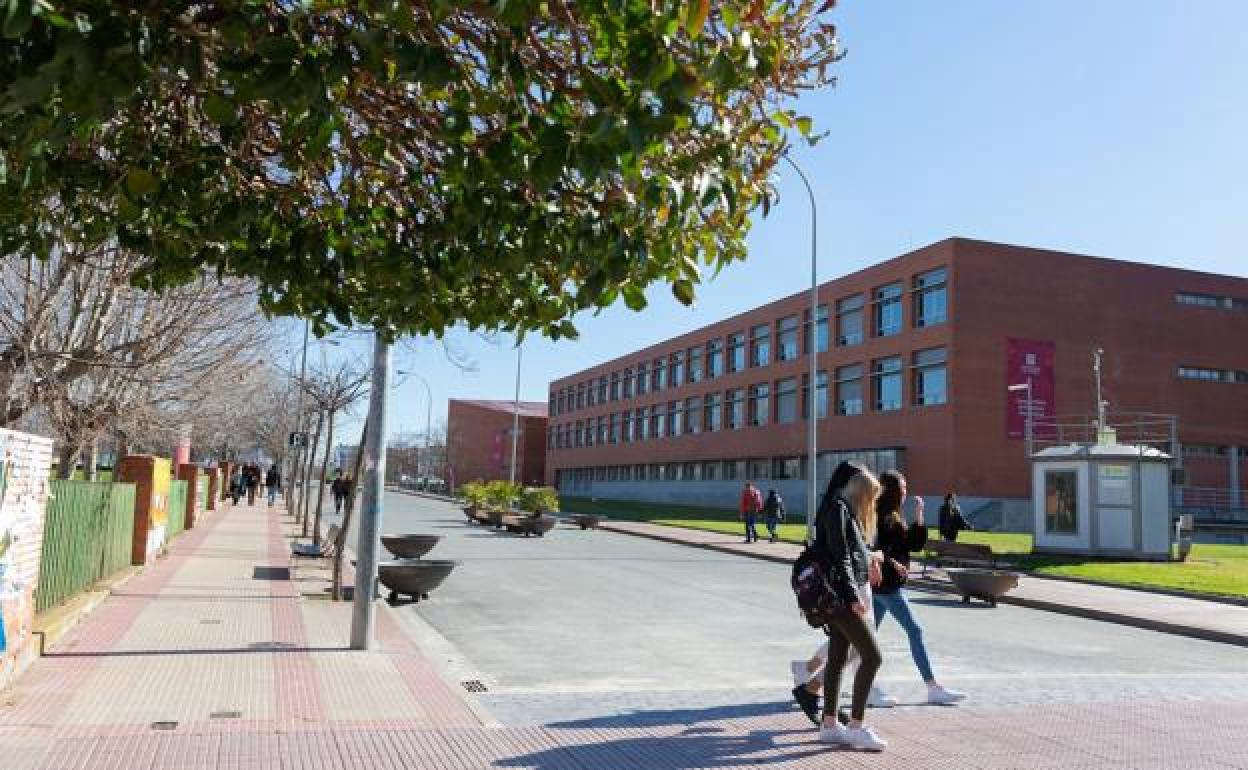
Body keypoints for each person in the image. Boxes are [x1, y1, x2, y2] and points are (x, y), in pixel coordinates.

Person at [797, 465, 888, 750]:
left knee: (836, 659)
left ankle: (829, 724)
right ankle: (857, 727)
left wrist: (869, 559)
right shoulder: (838, 509)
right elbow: (842, 558)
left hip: (837, 596)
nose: (871, 504)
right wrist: (852, 597)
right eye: (870, 497)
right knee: (872, 656)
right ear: (861, 491)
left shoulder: (840, 508)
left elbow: (851, 553)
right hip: (840, 598)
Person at [871, 471, 966, 706]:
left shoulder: (894, 515)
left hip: (886, 585)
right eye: (902, 489)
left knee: (860, 637)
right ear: (892, 492)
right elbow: (878, 548)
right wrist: (893, 563)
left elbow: (912, 544)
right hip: (887, 586)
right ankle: (932, 687)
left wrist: (920, 516)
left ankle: (813, 676)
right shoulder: (881, 516)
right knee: (915, 631)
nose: (905, 493)